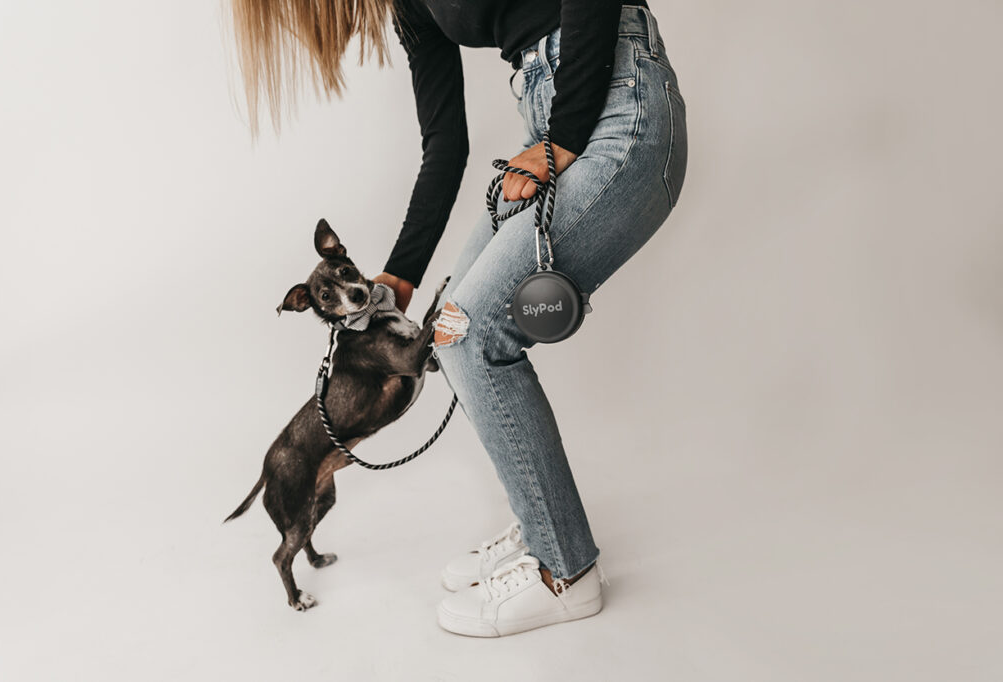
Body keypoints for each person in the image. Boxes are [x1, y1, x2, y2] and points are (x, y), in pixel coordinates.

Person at [232, 0, 687, 636]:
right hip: (556, 123)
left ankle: (565, 573)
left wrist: (564, 136)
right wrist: (397, 279)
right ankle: (542, 525)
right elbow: (445, 144)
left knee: (468, 332)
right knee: (447, 330)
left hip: (619, 114)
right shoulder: (408, 8)